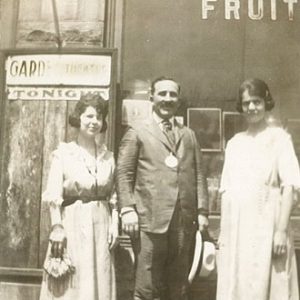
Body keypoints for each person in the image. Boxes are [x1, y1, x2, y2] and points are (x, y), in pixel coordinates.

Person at [116, 76, 209, 300]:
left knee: (179, 284)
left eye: (173, 95)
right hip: (150, 220)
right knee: (147, 284)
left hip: (182, 221)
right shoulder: (137, 132)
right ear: (152, 97)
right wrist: (127, 209)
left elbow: (198, 175)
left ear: (178, 100)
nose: (168, 99)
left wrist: (202, 211)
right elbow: (123, 173)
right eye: (162, 94)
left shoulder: (189, 135)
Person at [217, 78, 300, 300]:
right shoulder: (235, 143)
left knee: (270, 284)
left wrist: (281, 231)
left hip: (268, 225)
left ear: (266, 103)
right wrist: (224, 235)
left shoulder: (280, 139)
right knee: (239, 283)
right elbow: (226, 192)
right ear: (241, 107)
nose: (252, 108)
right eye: (246, 103)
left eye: (257, 102)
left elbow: (290, 188)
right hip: (238, 229)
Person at [39, 94, 118, 300]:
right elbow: (54, 194)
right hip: (72, 223)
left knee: (98, 276)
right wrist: (57, 227)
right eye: (89, 116)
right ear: (78, 118)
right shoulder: (64, 153)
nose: (94, 122)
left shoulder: (108, 157)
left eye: (99, 117)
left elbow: (114, 195)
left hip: (101, 224)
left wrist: (115, 224)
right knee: (71, 284)